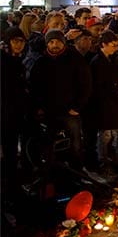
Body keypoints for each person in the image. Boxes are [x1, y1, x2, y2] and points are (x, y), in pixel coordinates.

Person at [30, 29, 92, 170]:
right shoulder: (41, 62)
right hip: (49, 110)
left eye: (57, 41)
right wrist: (38, 107)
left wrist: (77, 107)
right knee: (48, 143)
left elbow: (86, 84)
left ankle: (76, 169)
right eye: (51, 42)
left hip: (70, 110)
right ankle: (50, 172)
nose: (54, 45)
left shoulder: (74, 59)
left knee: (75, 141)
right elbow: (34, 87)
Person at [89, 30, 118, 173]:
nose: (116, 48)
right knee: (105, 135)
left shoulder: (113, 59)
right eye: (113, 45)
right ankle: (104, 161)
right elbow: (99, 87)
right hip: (106, 104)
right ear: (104, 44)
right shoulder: (97, 62)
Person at [1, 27, 27, 181]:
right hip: (6, 110)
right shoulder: (5, 60)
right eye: (15, 41)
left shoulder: (18, 59)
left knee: (11, 143)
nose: (18, 45)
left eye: (21, 41)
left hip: (15, 110)